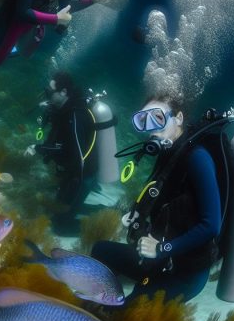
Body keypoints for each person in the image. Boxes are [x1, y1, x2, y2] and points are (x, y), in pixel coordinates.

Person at [90, 94, 222, 303]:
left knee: (126, 312)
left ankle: (124, 300)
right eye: (143, 121)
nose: (151, 128)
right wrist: (136, 215)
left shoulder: (198, 158)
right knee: (100, 250)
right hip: (156, 260)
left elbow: (211, 226)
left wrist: (162, 248)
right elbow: (162, 197)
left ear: (178, 118)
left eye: (157, 118)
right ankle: (107, 294)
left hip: (184, 272)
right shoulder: (167, 151)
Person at [26, 71, 95, 225]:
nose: (47, 95)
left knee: (60, 223)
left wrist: (38, 148)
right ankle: (85, 207)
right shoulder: (62, 109)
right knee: (58, 206)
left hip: (83, 175)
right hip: (70, 172)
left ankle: (96, 217)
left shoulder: (75, 116)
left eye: (50, 92)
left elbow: (73, 152)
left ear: (64, 92)